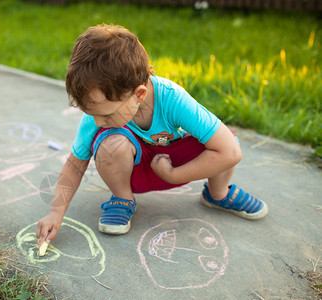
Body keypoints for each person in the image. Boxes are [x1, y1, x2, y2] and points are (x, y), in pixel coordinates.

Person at [36, 24, 268, 248]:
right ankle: (122, 199)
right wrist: (56, 212)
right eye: (92, 114)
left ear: (139, 94)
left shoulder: (173, 99)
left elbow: (231, 152)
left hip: (175, 163)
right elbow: (76, 165)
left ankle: (218, 194)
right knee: (109, 143)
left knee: (225, 140)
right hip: (137, 170)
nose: (98, 122)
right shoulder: (99, 109)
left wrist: (174, 175)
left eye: (105, 115)